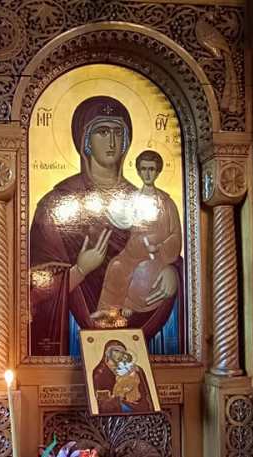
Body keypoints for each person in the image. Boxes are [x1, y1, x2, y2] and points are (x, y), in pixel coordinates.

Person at [29, 96, 181, 356]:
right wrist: (80, 270)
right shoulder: (55, 202)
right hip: (76, 333)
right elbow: (34, 286)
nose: (112, 142)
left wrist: (172, 272)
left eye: (118, 133)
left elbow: (164, 244)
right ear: (85, 141)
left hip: (138, 318)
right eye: (102, 132)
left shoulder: (146, 200)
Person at [96, 150, 182, 314]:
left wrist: (159, 247)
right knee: (116, 266)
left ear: (158, 172)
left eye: (151, 169)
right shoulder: (132, 200)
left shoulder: (166, 203)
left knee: (143, 271)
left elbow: (176, 236)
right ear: (138, 171)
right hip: (131, 253)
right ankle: (107, 312)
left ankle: (129, 306)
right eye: (143, 169)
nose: (147, 174)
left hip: (155, 256)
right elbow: (122, 222)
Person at [91, 340, 152, 413]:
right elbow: (102, 401)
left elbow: (144, 394)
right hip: (115, 405)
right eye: (116, 351)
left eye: (122, 352)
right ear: (107, 353)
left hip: (135, 403)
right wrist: (117, 397)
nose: (119, 354)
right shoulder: (100, 372)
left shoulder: (134, 369)